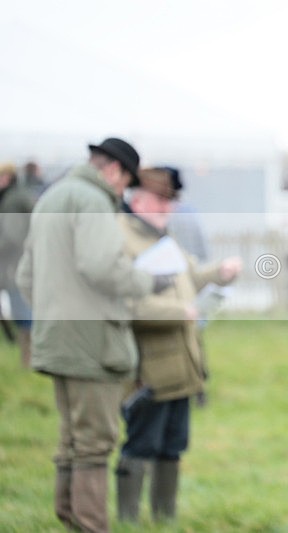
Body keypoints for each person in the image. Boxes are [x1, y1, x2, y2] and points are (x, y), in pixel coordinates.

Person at [15, 137, 171, 533]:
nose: (124, 192)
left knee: (72, 440)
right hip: (93, 345)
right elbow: (103, 267)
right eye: (127, 183)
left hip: (56, 339)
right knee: (95, 444)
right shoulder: (93, 200)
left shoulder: (53, 197)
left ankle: (69, 519)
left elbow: (25, 277)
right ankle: (90, 526)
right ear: (115, 170)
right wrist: (147, 282)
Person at [115, 167, 241, 523]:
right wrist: (178, 312)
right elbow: (125, 306)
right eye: (159, 201)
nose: (166, 209)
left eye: (168, 203)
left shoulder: (162, 238)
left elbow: (190, 278)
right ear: (136, 198)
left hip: (182, 367)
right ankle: (127, 520)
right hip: (148, 369)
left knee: (172, 446)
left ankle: (162, 519)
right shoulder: (121, 241)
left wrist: (219, 273)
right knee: (141, 444)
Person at [0, 161, 37, 365]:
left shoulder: (12, 200)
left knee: (24, 314)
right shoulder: (16, 195)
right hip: (20, 261)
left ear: (6, 177)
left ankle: (29, 360)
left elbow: (12, 236)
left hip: (15, 264)